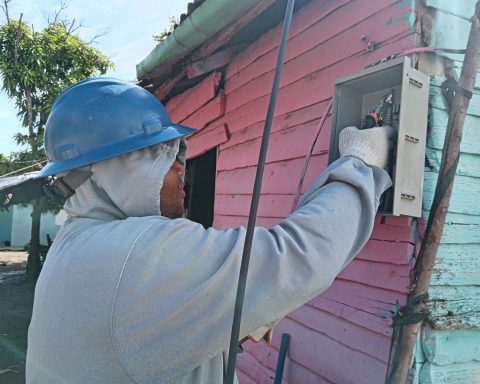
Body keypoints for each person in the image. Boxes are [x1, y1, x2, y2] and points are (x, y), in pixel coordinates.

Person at [26, 78, 392, 383]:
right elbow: (299, 255)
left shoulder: (78, 243)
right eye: (166, 156)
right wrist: (361, 163)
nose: (182, 169)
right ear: (120, 171)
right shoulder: (132, 253)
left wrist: (213, 322)